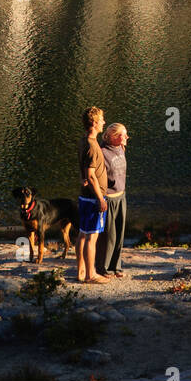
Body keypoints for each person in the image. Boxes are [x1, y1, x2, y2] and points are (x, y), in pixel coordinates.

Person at [76, 105, 109, 284]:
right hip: (92, 198)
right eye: (102, 120)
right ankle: (91, 275)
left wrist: (83, 179)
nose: (104, 122)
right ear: (95, 123)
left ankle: (81, 271)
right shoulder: (92, 146)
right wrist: (100, 198)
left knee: (82, 233)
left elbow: (83, 170)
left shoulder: (83, 141)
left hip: (84, 195)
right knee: (92, 237)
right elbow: (90, 174)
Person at [95, 123, 129, 279]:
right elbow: (94, 176)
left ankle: (116, 266)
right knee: (108, 236)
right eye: (123, 135)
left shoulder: (121, 148)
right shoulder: (102, 152)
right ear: (113, 136)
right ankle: (103, 267)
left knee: (119, 234)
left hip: (121, 196)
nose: (126, 137)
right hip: (108, 198)